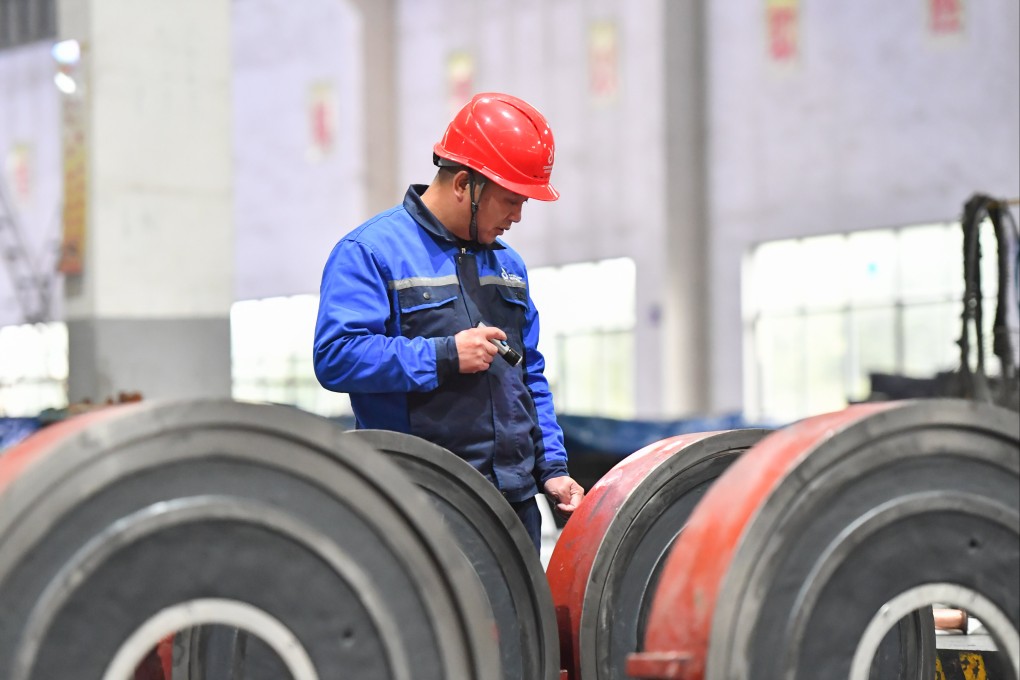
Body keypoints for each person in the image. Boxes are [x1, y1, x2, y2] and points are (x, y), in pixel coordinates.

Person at [313, 92, 585, 552]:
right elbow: (336, 356)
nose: (518, 216)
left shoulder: (509, 267)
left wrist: (552, 470)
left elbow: (529, 374)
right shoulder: (371, 253)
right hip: (423, 503)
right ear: (464, 184)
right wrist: (444, 356)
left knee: (519, 624)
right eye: (510, 200)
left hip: (512, 506)